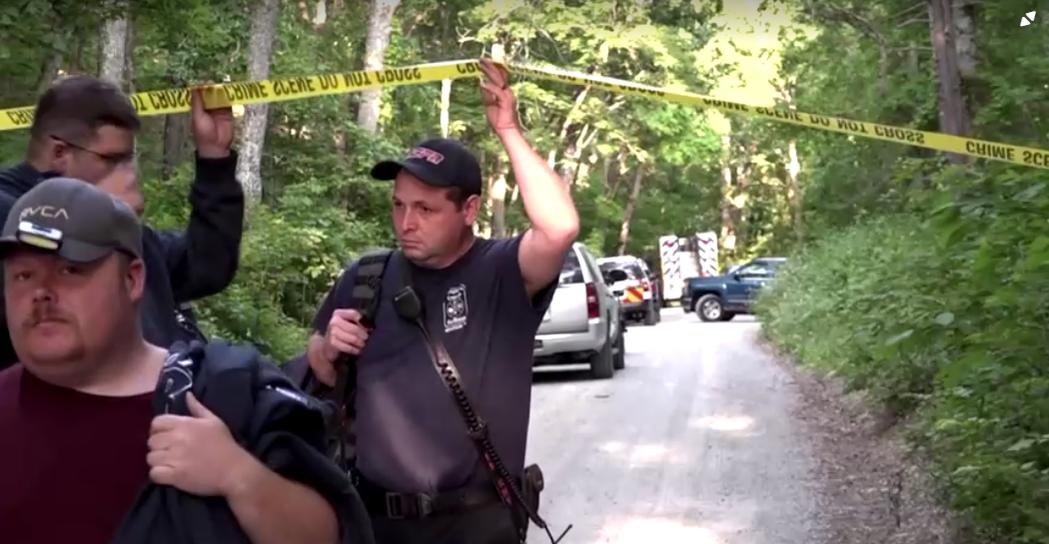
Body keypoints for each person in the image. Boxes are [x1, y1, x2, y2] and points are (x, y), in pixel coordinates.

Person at [301, 59, 580, 543]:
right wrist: (327, 349)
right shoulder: (367, 276)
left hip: (476, 525)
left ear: (469, 210)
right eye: (398, 205)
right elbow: (319, 366)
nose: (406, 222)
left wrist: (508, 131)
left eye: (425, 209)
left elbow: (559, 228)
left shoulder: (501, 272)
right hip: (378, 524)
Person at [0, 177, 359, 544]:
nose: (40, 292)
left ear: (132, 280)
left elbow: (329, 535)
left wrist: (238, 476)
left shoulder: (225, 395)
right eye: (23, 275)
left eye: (69, 270)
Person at [0, 75, 244, 370]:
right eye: (112, 159)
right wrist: (102, 216)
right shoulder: (9, 213)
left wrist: (214, 160)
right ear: (60, 153)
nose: (128, 172)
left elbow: (206, 266)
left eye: (128, 160)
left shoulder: (120, 226)